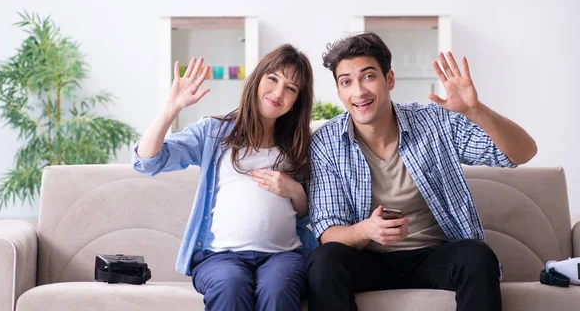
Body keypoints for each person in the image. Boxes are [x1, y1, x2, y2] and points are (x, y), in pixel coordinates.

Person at [306, 32, 537, 311]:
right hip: (366, 261)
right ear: (339, 91)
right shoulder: (326, 142)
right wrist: (368, 229)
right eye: (346, 82)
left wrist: (475, 110)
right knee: (324, 261)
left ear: (389, 79)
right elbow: (328, 232)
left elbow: (523, 152)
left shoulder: (434, 122)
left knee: (476, 256)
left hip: (432, 257)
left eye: (368, 76)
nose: (359, 91)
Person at [132, 44, 316, 311]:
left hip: (283, 257)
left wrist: (294, 191)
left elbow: (308, 214)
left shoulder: (299, 144)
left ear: (297, 100)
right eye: (273, 79)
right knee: (230, 286)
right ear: (257, 79)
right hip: (219, 257)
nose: (278, 93)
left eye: (291, 88)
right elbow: (147, 162)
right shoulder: (214, 133)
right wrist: (170, 109)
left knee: (278, 289)